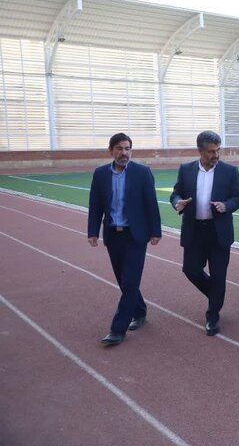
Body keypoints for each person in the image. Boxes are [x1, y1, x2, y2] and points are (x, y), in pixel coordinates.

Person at [88, 133, 162, 345]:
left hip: (135, 235)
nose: (124, 153)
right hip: (113, 234)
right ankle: (140, 311)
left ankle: (117, 329)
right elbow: (95, 204)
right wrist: (93, 231)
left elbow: (151, 203)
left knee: (130, 282)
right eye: (119, 148)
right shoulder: (101, 174)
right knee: (124, 281)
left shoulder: (142, 172)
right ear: (111, 150)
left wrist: (155, 231)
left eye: (127, 148)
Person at [170, 131, 239, 336]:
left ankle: (213, 316)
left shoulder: (229, 171)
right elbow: (176, 193)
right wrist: (177, 202)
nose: (216, 155)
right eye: (211, 151)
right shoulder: (186, 170)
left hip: (218, 232)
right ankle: (216, 293)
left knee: (218, 274)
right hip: (194, 230)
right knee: (190, 270)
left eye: (218, 150)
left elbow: (238, 198)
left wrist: (226, 205)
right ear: (200, 151)